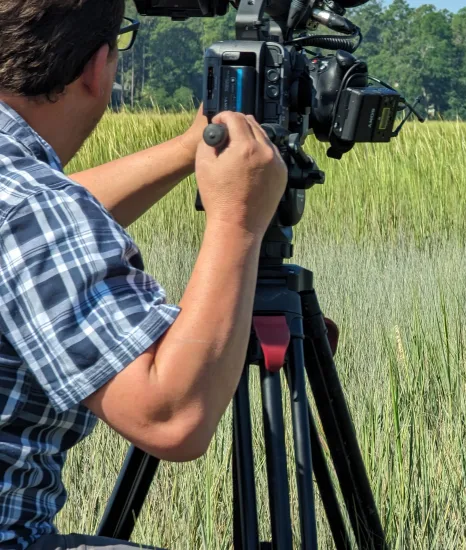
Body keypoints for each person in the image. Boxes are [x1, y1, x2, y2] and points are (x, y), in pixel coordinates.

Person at [0, 1, 288, 549]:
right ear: (97, 65)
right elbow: (170, 416)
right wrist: (238, 221)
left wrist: (189, 149)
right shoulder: (33, 208)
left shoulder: (21, 194)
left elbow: (42, 228)